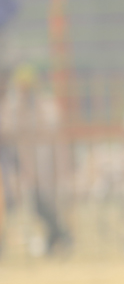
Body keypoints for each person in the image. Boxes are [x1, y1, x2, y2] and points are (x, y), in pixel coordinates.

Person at [0, 64, 70, 255]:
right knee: (21, 203)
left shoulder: (45, 104)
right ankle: (57, 236)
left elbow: (54, 128)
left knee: (45, 202)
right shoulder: (11, 107)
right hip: (19, 162)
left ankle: (58, 236)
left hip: (44, 161)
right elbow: (5, 130)